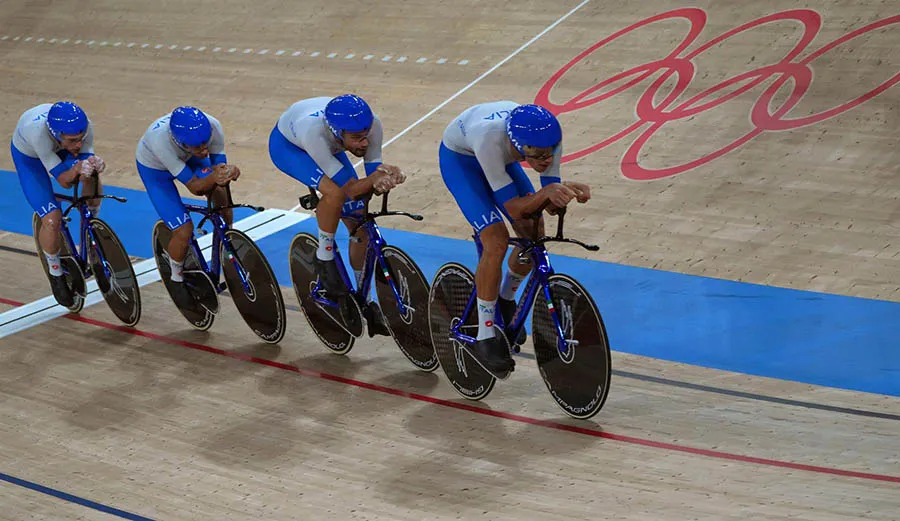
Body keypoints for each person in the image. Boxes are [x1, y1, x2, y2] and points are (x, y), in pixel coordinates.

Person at [439, 102, 591, 378]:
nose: (546, 160)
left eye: (550, 153)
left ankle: (506, 299)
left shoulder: (547, 138)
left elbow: (545, 204)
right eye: (538, 155)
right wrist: (548, 193)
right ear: (520, 146)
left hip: (500, 158)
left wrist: (561, 193)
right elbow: (512, 208)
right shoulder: (489, 138)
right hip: (462, 161)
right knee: (495, 241)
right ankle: (486, 335)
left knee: (534, 233)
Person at [269, 94, 406, 337]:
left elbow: (370, 181)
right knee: (335, 194)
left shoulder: (371, 125)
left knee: (359, 220)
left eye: (366, 136)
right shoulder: (313, 131)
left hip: (331, 144)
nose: (364, 144)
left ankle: (366, 299)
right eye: (357, 139)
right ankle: (325, 256)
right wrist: (371, 181)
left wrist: (384, 178)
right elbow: (351, 188)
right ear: (337, 131)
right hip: (290, 147)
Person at [136, 106, 240, 308]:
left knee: (221, 192)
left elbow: (220, 173)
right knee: (184, 231)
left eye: (205, 144)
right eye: (197, 147)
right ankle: (176, 279)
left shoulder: (214, 126)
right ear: (178, 141)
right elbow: (195, 187)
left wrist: (228, 172)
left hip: (185, 158)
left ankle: (227, 235)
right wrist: (212, 176)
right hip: (155, 171)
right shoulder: (161, 142)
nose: (204, 151)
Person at [11, 101, 107, 306]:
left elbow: (84, 163)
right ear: (56, 134)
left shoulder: (83, 127)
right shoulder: (38, 136)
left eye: (81, 139)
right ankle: (55, 273)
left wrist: (93, 163)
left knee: (92, 175)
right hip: (30, 159)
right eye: (74, 140)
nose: (79, 144)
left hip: (60, 147)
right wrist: (76, 169)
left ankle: (91, 225)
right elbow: (64, 181)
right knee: (53, 220)